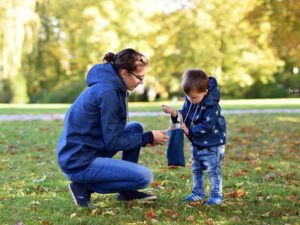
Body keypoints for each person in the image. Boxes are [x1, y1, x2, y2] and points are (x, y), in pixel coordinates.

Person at [57, 48, 169, 207]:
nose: (141, 82)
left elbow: (113, 134)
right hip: (79, 161)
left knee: (135, 127)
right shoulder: (107, 92)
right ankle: (83, 187)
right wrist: (147, 138)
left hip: (89, 149)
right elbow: (112, 142)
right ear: (124, 72)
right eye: (139, 77)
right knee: (144, 177)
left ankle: (126, 192)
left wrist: (143, 138)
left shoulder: (114, 87)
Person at [162, 69, 227, 205]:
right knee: (196, 169)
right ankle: (198, 193)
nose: (191, 101)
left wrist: (189, 130)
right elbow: (184, 115)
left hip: (212, 144)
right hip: (197, 142)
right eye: (188, 97)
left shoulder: (212, 106)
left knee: (213, 170)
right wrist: (174, 113)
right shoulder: (190, 100)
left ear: (205, 91)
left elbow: (208, 125)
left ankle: (217, 195)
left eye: (194, 98)